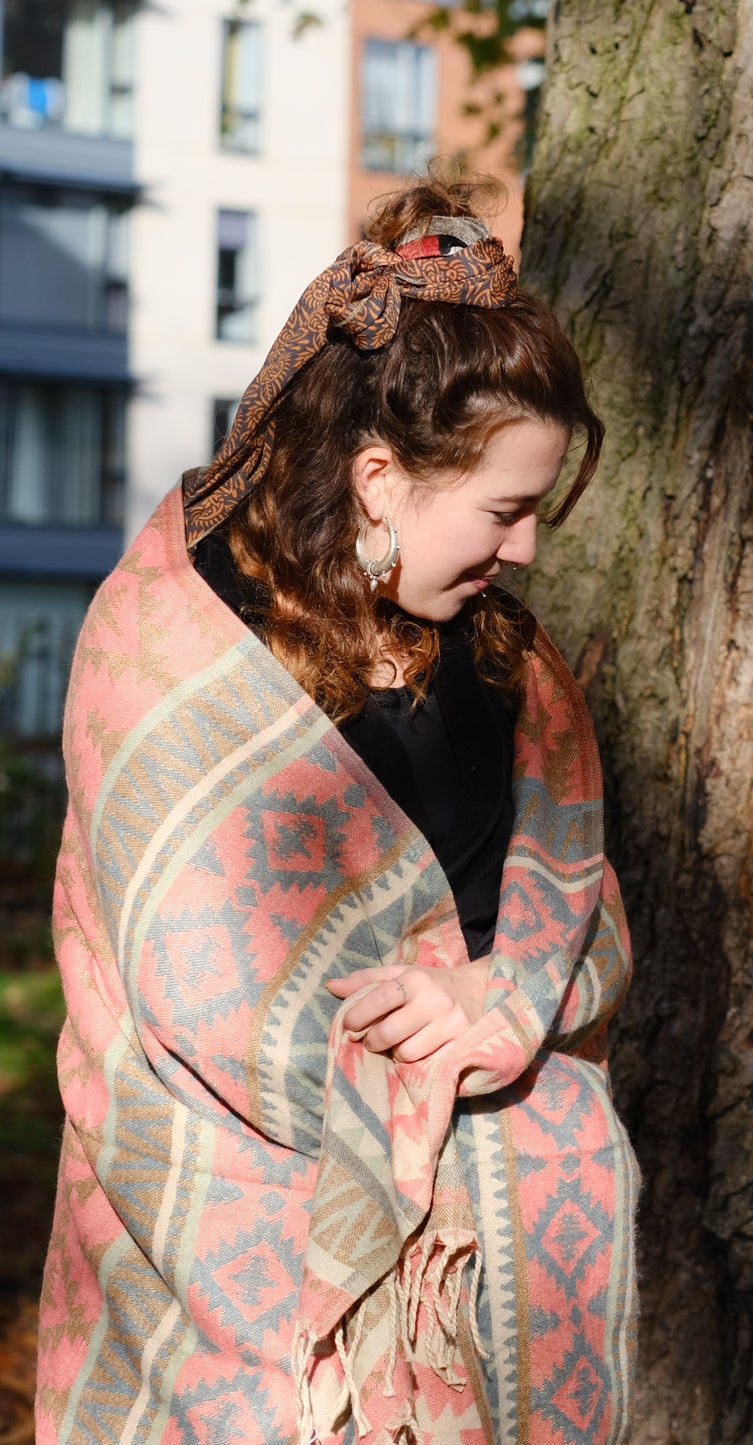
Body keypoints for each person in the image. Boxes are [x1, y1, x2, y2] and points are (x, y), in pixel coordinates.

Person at [35, 172, 640, 1445]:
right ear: (379, 478)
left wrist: (498, 997)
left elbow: (582, 912)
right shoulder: (172, 653)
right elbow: (194, 984)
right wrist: (430, 1056)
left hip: (500, 1283)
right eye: (504, 510)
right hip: (239, 1283)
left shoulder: (503, 661)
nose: (525, 550)